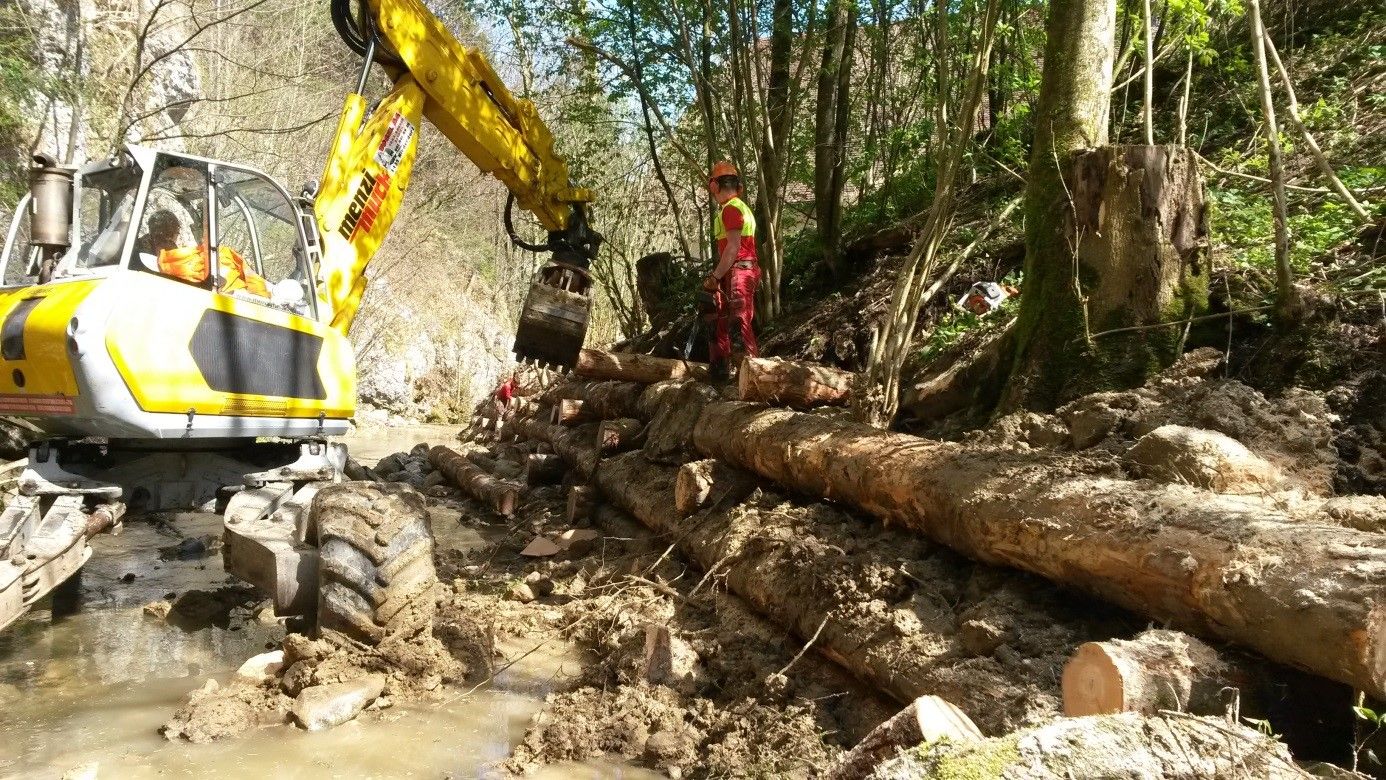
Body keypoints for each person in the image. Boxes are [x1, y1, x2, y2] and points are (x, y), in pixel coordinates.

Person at [703, 160, 760, 381]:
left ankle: (753, 378)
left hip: (739, 270)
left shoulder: (732, 210)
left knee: (738, 323)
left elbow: (733, 248)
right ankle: (722, 374)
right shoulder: (735, 208)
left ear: (714, 185)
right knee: (721, 321)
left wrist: (715, 276)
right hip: (735, 271)